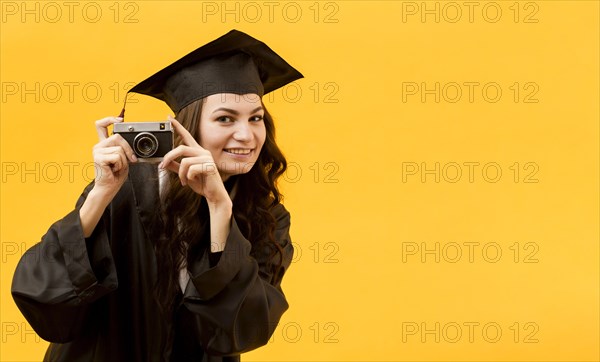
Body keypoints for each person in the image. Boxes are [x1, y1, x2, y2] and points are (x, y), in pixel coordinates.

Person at [11, 29, 303, 362]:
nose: (246, 134)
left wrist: (220, 210)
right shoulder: (125, 188)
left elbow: (243, 329)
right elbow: (43, 297)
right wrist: (100, 193)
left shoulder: (265, 216)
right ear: (187, 128)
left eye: (256, 118)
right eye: (225, 118)